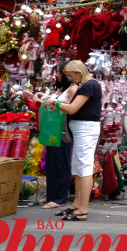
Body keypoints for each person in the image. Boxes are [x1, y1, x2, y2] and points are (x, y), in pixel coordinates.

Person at [43, 60, 102, 222]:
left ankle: (82, 209)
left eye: (70, 75)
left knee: (84, 167)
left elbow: (72, 108)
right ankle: (77, 205)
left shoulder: (90, 85)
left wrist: (55, 102)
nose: (69, 79)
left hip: (86, 129)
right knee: (77, 166)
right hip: (81, 128)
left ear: (78, 73)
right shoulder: (85, 85)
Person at [23, 61, 76, 210]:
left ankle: (59, 198)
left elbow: (69, 109)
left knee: (61, 164)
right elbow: (48, 106)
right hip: (52, 131)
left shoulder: (72, 90)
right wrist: (33, 98)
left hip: (63, 131)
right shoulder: (60, 90)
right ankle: (52, 196)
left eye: (59, 72)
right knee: (52, 164)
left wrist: (44, 101)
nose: (57, 75)